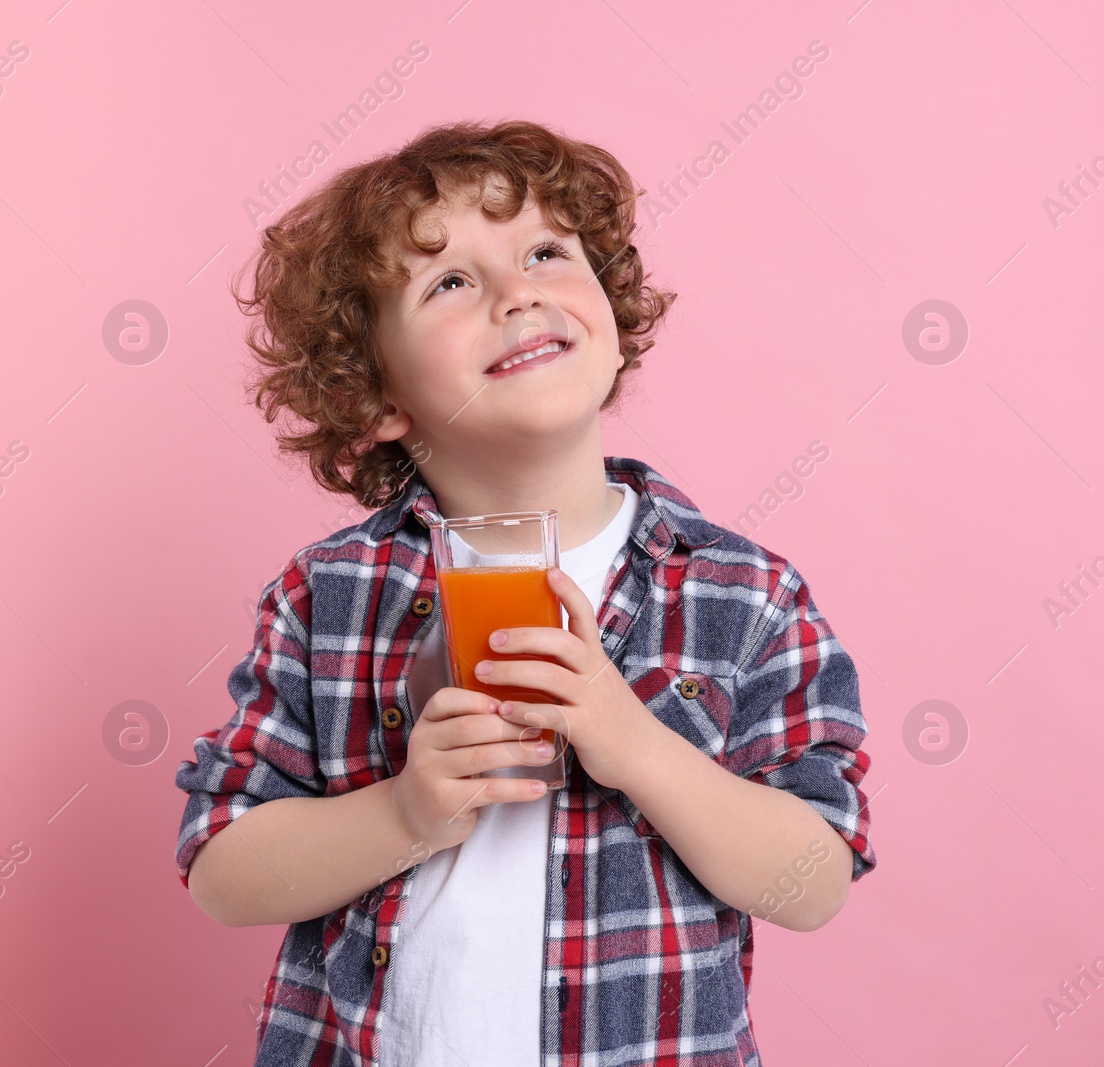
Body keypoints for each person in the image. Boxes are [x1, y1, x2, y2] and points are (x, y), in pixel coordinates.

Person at [173, 118, 876, 1067]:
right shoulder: (326, 596)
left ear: (613, 318)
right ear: (380, 398)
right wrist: (406, 812)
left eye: (545, 250)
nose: (519, 292)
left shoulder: (743, 595)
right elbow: (223, 866)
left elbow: (814, 879)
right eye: (451, 281)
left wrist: (633, 743)